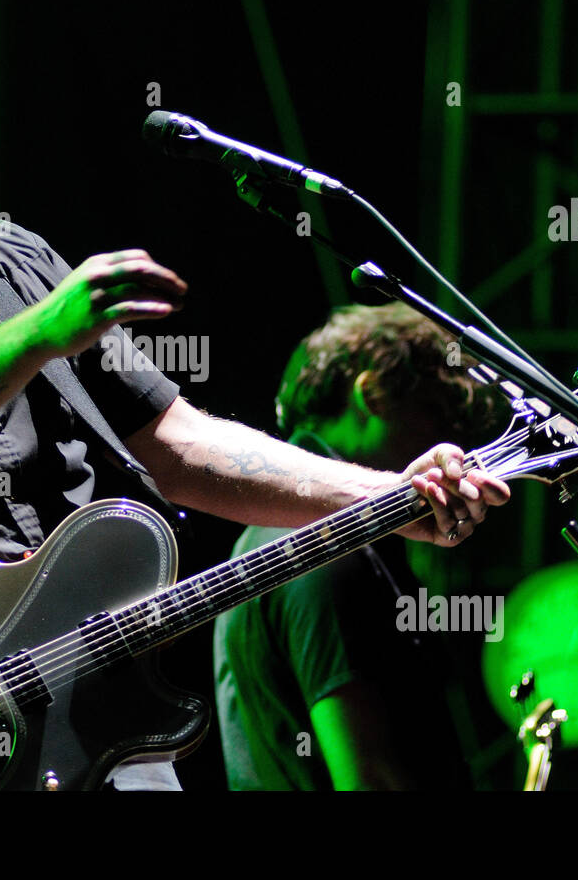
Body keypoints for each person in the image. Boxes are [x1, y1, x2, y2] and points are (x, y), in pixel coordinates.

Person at [0, 0, 509, 790]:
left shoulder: (5, 262)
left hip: (98, 723)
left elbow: (175, 442)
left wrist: (391, 493)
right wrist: (40, 333)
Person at [213, 303, 503, 790]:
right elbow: (370, 777)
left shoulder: (269, 532)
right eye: (437, 413)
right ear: (372, 395)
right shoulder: (325, 546)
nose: (453, 444)